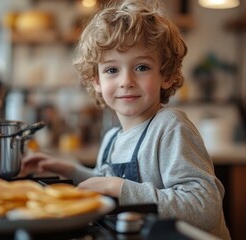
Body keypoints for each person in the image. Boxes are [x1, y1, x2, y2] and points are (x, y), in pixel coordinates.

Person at [21, 0, 230, 239]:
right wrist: (69, 169)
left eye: (141, 67)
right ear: (95, 80)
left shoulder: (170, 127)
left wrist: (120, 188)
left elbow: (205, 209)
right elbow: (105, 182)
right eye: (112, 70)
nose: (126, 81)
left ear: (167, 75)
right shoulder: (111, 139)